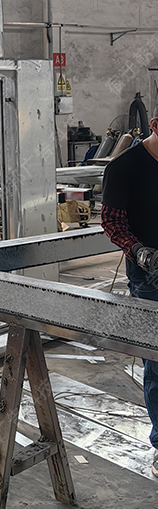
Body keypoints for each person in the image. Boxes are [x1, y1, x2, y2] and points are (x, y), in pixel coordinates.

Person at [101, 114, 158, 478]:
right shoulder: (124, 167)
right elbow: (112, 222)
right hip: (150, 276)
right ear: (156, 124)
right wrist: (138, 251)